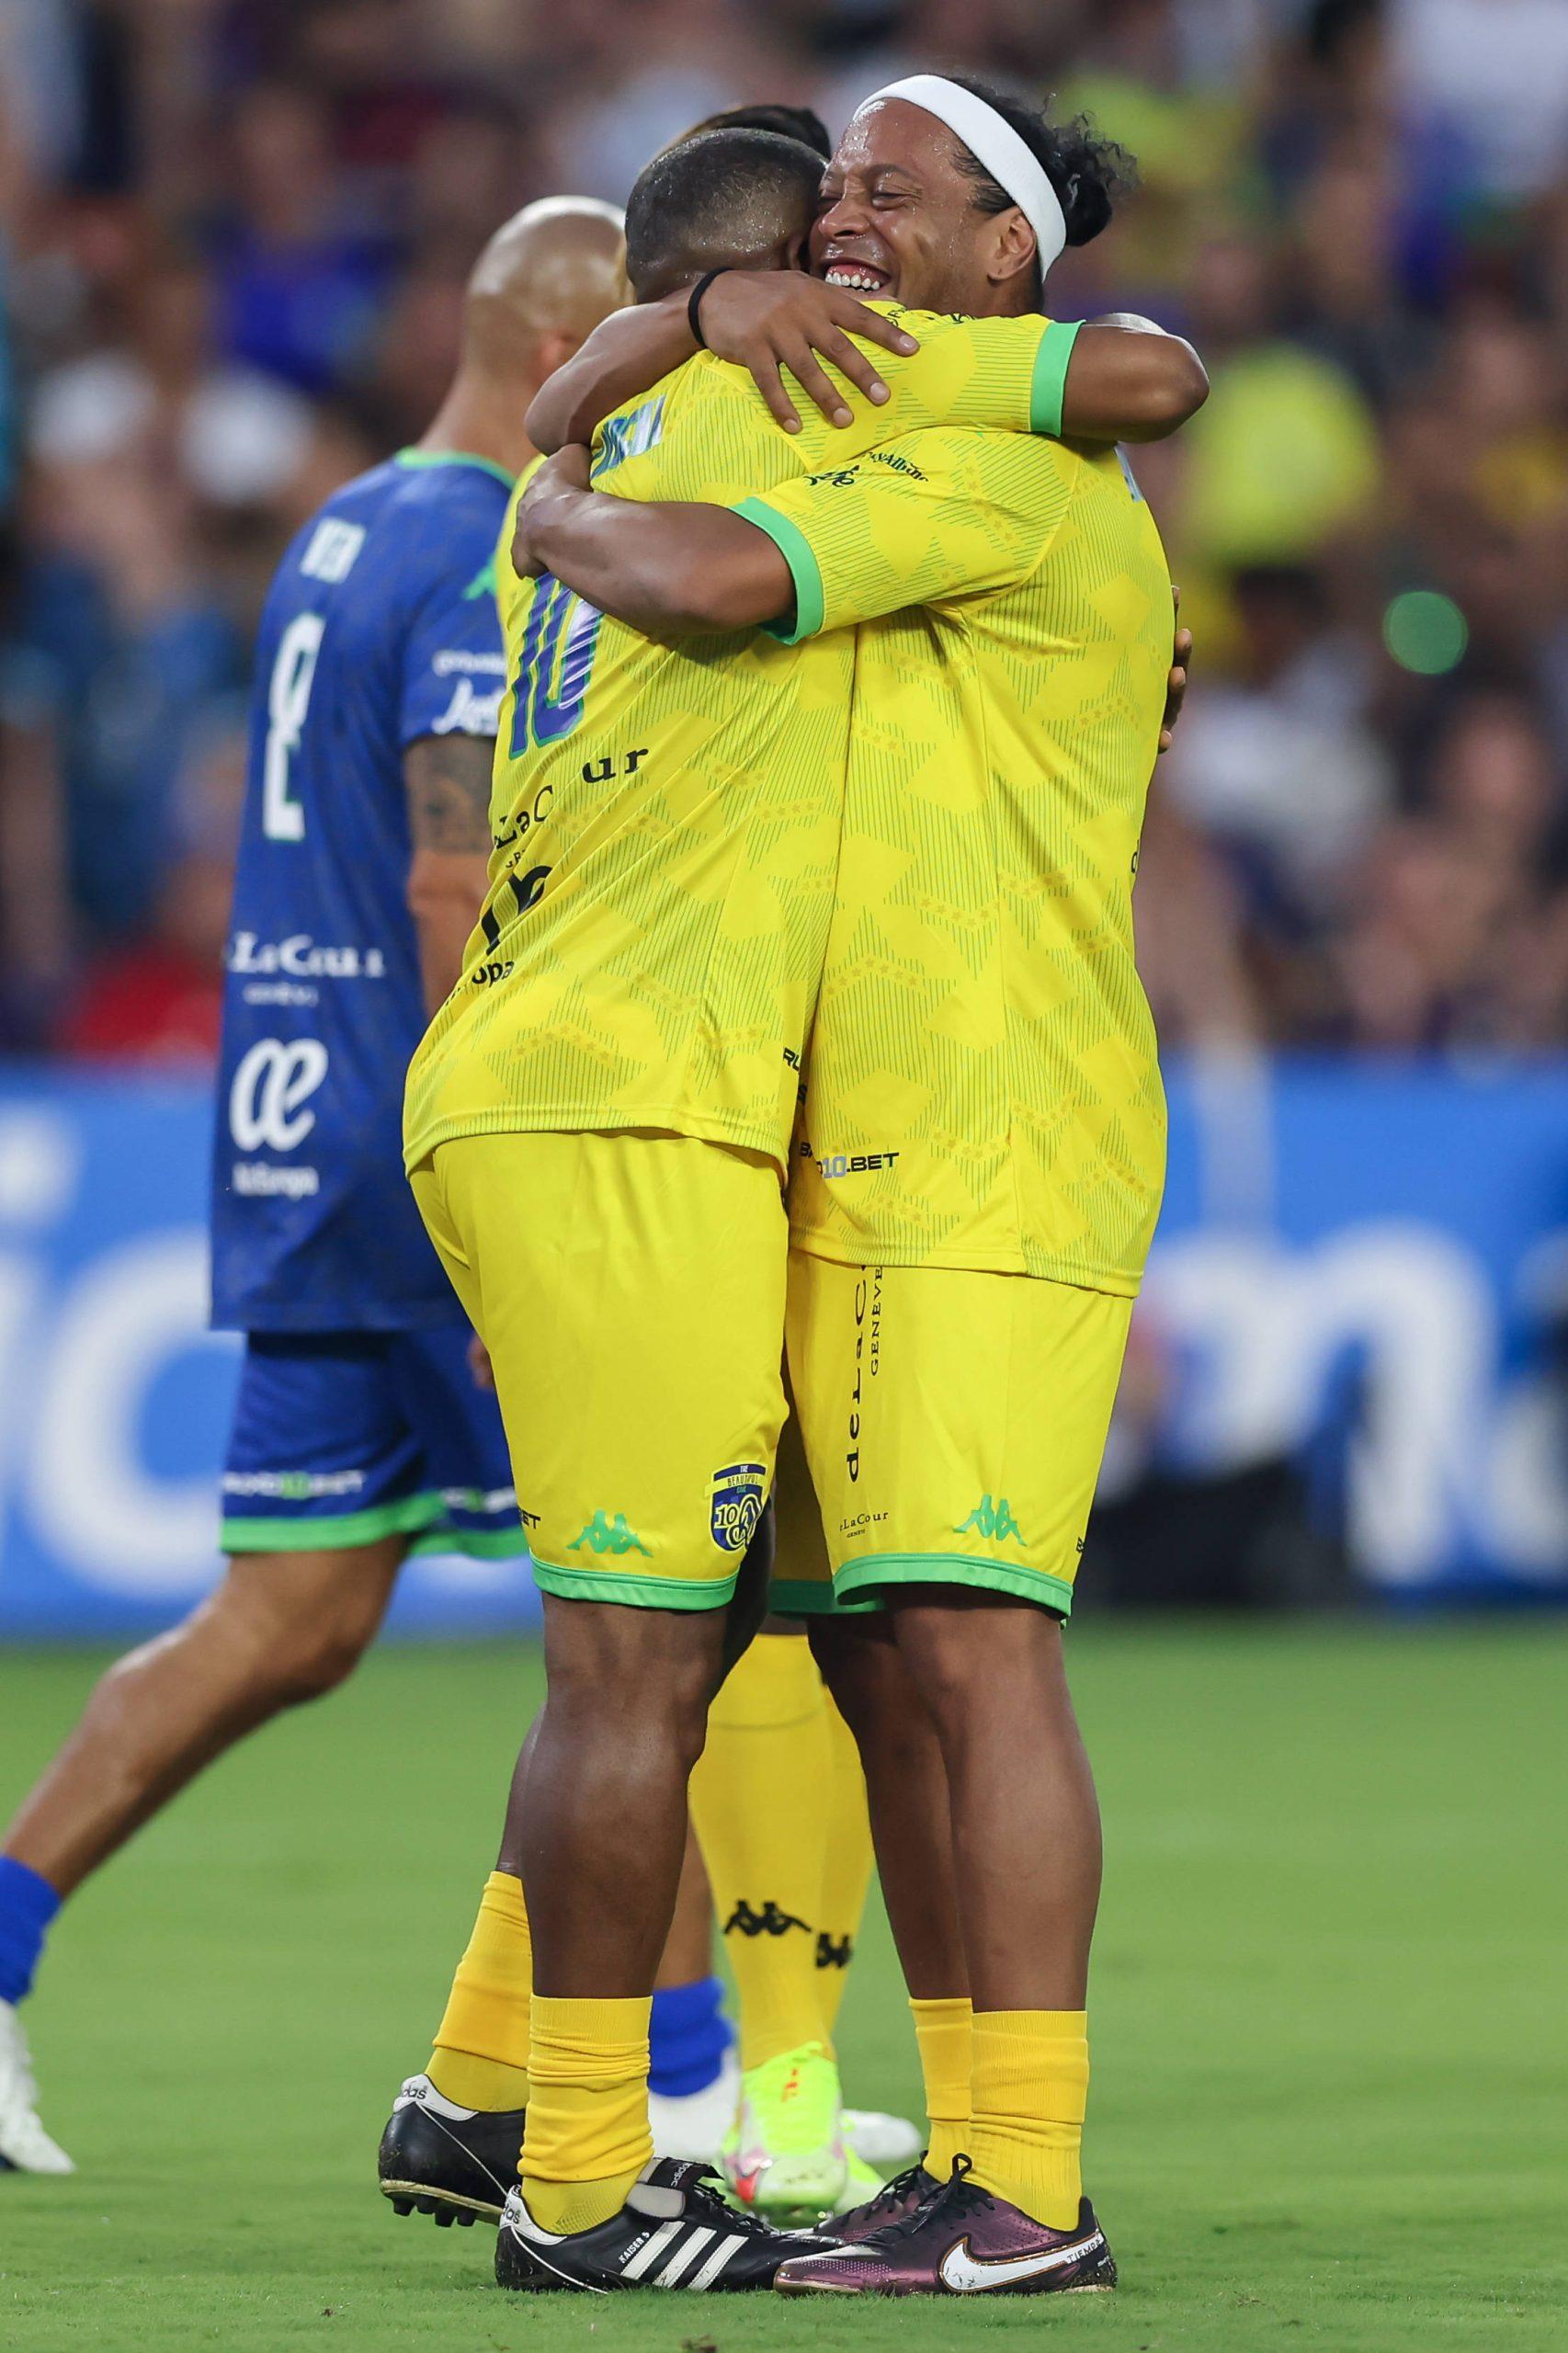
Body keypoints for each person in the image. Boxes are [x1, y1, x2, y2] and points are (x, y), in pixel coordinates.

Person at [403, 108, 1200, 2294]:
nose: (850, 233)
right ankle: (583, 2167)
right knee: (697, 1649)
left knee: (901, 1637)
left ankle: (990, 2173)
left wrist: (597, 413)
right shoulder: (761, 437)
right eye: (823, 210)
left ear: (987, 260)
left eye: (894, 196)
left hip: (936, 1132)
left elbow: (1142, 378)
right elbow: (712, 547)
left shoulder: (930, 448)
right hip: (677, 1107)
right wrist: (656, 356)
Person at [0, 199, 628, 2179]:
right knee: (657, 1627)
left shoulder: (346, 519)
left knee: (289, 1610)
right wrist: (501, 1142)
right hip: (423, 1139)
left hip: (292, 1111)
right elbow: (450, 882)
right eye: (635, 359)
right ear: (551, 349)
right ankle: (685, 2091)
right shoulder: (486, 547)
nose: (649, 403)